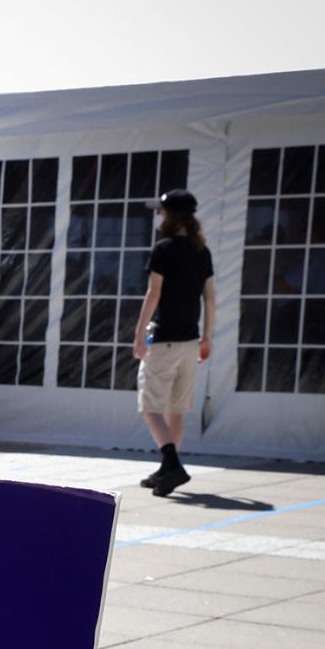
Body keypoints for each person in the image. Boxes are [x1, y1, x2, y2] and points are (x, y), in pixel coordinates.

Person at [133, 188, 214, 496]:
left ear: (170, 215)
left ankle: (172, 462)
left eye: (161, 211)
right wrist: (207, 337)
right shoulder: (201, 251)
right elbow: (210, 298)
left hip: (164, 338)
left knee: (150, 407)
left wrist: (139, 333)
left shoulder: (163, 249)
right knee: (175, 410)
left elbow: (153, 294)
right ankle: (168, 471)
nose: (158, 215)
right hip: (190, 340)